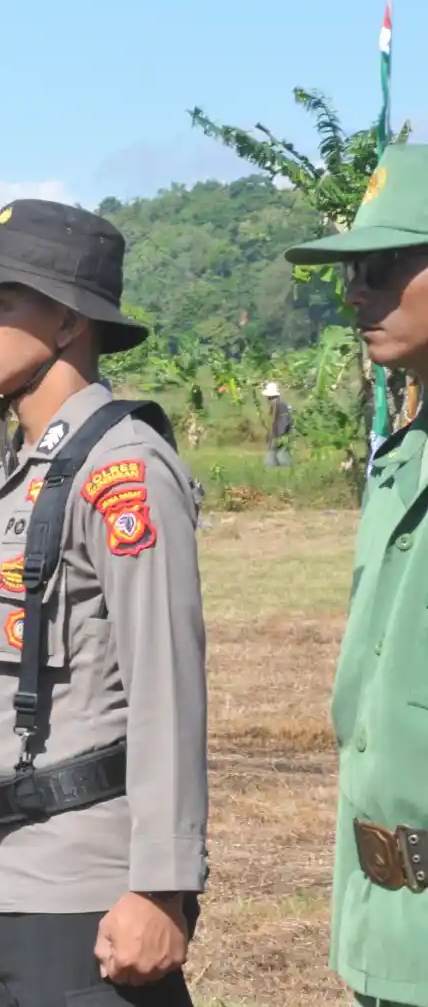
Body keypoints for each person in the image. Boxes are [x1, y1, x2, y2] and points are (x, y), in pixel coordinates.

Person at [0, 199, 209, 1007]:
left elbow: (167, 688)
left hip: (87, 893)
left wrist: (161, 886)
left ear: (67, 322)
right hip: (2, 879)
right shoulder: (13, 477)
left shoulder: (122, 472)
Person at [282, 142, 428, 1007]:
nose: (355, 294)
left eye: (381, 268)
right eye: (350, 271)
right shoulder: (400, 460)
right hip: (386, 929)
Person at [263, 382, 294, 467]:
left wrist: (273, 435)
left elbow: (277, 421)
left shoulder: (277, 405)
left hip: (280, 434)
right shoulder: (279, 404)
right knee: (277, 456)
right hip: (282, 433)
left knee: (276, 457)